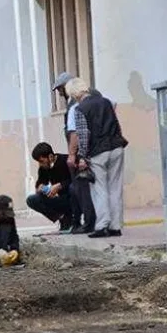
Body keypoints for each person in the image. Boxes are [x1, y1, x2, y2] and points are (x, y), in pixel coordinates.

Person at [66, 77, 128, 238]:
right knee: (115, 187)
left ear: (74, 94)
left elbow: (83, 135)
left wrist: (82, 157)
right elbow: (116, 124)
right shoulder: (106, 102)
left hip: (97, 152)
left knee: (99, 189)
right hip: (116, 147)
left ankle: (102, 225)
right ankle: (115, 226)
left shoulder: (80, 109)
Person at [52, 72, 98, 234]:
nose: (59, 93)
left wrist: (73, 155)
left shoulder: (75, 104)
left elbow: (74, 132)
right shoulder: (95, 96)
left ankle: (88, 222)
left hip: (81, 152)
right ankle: (96, 222)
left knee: (81, 188)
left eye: (60, 90)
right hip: (93, 149)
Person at [26, 143, 73, 233]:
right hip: (57, 198)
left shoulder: (65, 161)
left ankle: (73, 218)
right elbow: (40, 182)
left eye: (41, 161)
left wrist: (60, 186)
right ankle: (62, 217)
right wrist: (40, 187)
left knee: (73, 188)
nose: (40, 164)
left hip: (72, 198)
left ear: (50, 157)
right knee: (31, 199)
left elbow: (75, 181)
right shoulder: (43, 168)